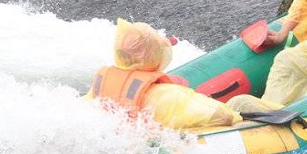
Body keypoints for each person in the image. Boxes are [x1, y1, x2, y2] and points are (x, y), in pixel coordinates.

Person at [87, 18, 243, 130]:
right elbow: (220, 116)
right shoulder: (169, 96)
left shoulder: (99, 88)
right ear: (155, 56)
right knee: (242, 102)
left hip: (125, 148)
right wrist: (238, 117)